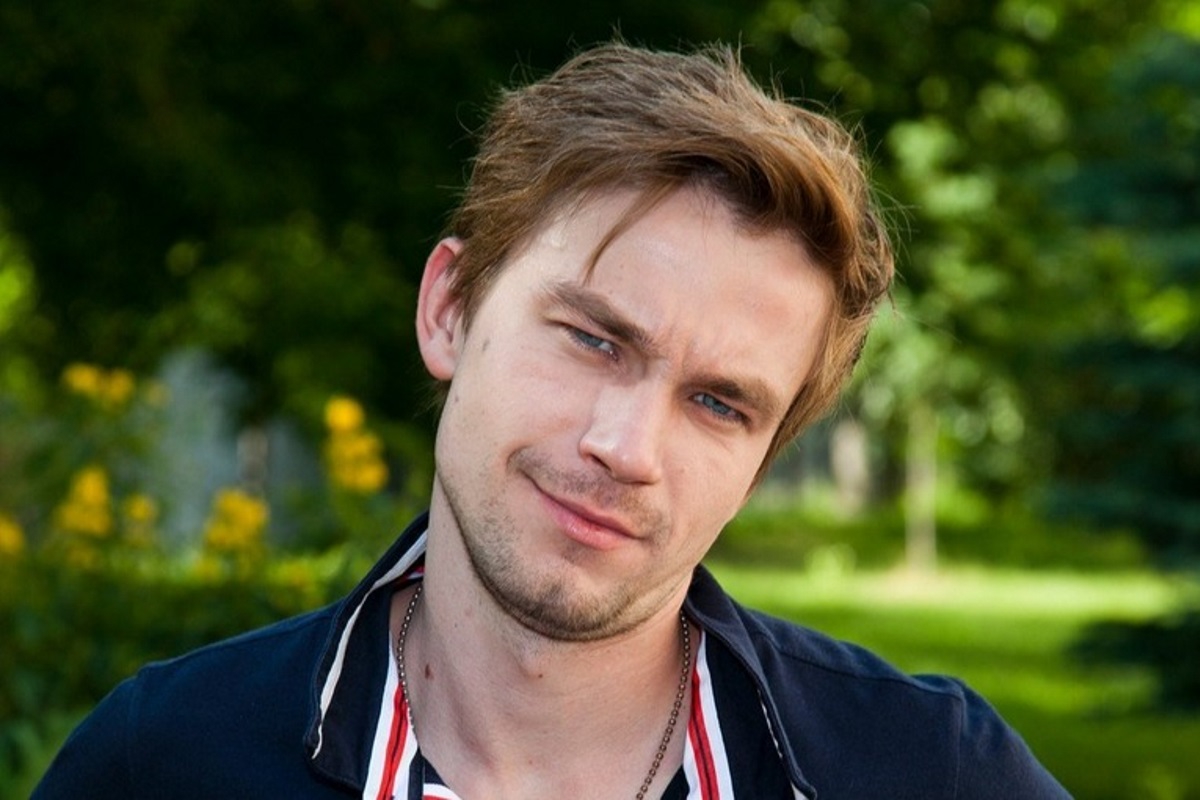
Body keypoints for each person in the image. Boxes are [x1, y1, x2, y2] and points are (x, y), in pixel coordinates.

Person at [34, 42, 1070, 799]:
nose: (626, 447)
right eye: (593, 339)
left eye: (719, 403)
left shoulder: (927, 770)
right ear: (450, 310)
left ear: (764, 457)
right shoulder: (164, 761)